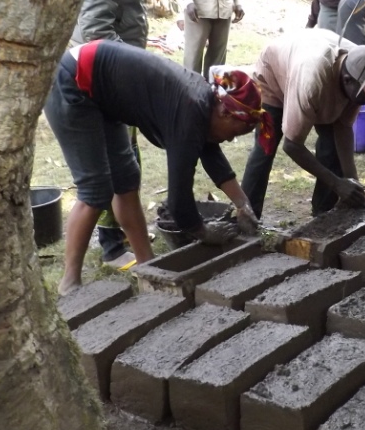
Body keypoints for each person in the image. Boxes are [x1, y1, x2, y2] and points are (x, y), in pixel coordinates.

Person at [44, 40, 268, 295]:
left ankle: (148, 265)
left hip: (100, 91)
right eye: (237, 132)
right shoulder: (190, 110)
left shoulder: (205, 102)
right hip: (74, 82)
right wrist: (203, 231)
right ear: (226, 113)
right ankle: (69, 281)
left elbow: (210, 152)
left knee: (126, 178)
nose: (231, 139)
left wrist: (242, 203)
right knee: (96, 189)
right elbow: (179, 200)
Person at [68, 0, 151, 272]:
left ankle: (139, 255)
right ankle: (102, 252)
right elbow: (96, 32)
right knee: (98, 181)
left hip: (110, 79)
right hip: (93, 82)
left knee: (124, 168)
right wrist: (141, 70)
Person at [241, 29, 365, 218]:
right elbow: (292, 145)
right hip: (274, 75)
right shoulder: (312, 79)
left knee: (331, 144)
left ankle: (324, 215)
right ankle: (247, 218)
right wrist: (337, 183)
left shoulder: (362, 66)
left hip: (316, 73)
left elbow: (343, 128)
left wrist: (351, 181)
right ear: (348, 80)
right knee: (265, 148)